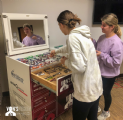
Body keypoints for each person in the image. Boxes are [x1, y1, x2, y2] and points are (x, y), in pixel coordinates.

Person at [50, 10, 103, 120]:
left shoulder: (72, 37)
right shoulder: (82, 34)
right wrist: (56, 51)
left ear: (61, 25)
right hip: (95, 87)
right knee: (93, 118)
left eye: (59, 26)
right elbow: (70, 48)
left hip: (85, 91)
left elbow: (79, 68)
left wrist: (65, 62)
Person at [92, 13, 123, 120]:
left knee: (106, 92)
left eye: (104, 25)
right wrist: (92, 42)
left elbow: (116, 63)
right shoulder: (101, 37)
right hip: (99, 71)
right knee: (97, 91)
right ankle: (97, 107)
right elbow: (98, 48)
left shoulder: (117, 43)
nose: (101, 27)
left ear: (112, 27)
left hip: (109, 75)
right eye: (101, 24)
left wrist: (102, 55)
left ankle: (106, 111)